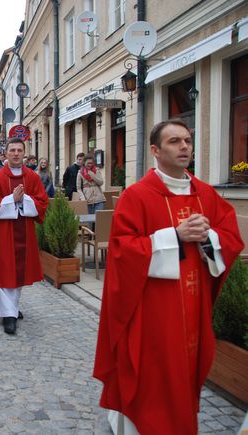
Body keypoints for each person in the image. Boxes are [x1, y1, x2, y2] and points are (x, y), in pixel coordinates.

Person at [93, 119, 244, 435]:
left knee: (184, 372)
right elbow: (121, 251)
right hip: (152, 310)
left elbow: (230, 237)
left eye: (187, 140)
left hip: (193, 306)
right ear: (155, 150)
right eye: (175, 141)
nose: (185, 147)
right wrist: (174, 237)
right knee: (152, 372)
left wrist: (207, 238)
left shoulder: (205, 194)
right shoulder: (137, 196)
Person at [0, 137, 48, 335]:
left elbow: (42, 202)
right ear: (6, 153)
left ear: (24, 153)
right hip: (5, 232)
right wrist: (12, 199)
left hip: (25, 230)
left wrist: (24, 200)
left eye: (19, 150)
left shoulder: (32, 177)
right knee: (6, 270)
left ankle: (12, 307)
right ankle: (8, 316)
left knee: (19, 272)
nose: (16, 154)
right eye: (12, 150)